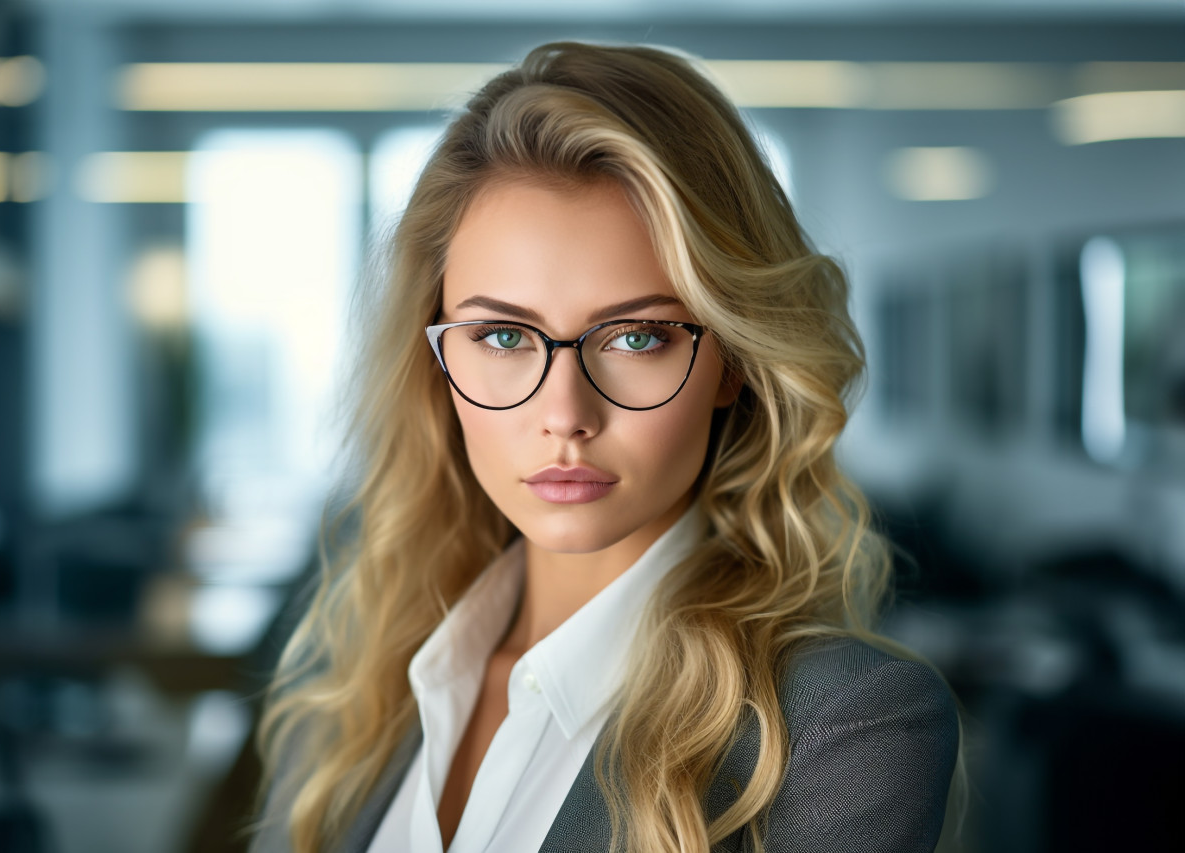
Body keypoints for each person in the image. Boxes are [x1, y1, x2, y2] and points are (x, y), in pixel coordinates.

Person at [249, 40, 959, 853]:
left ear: (731, 359)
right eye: (505, 334)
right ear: (436, 360)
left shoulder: (843, 729)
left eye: (636, 337)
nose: (565, 414)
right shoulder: (349, 690)